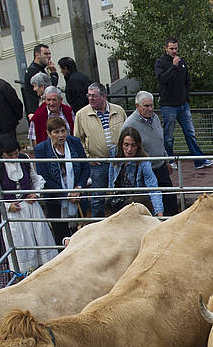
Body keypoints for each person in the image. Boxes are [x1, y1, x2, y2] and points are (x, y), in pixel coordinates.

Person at [0, 132, 58, 282]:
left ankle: (44, 278)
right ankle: (21, 279)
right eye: (9, 155)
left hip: (31, 210)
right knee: (18, 247)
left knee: (40, 241)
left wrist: (36, 193)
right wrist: (7, 205)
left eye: (16, 153)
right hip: (12, 216)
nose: (14, 157)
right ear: (1, 153)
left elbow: (37, 179)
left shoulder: (24, 160)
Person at [154, 37, 213, 169]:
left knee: (190, 133)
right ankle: (169, 161)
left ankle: (199, 161)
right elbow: (162, 79)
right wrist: (173, 67)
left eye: (176, 48)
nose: (174, 51)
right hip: (168, 106)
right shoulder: (160, 63)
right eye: (171, 48)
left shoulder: (181, 62)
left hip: (183, 105)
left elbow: (187, 80)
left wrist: (186, 97)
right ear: (166, 48)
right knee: (168, 136)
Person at [34, 116, 90, 246]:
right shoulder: (41, 149)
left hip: (78, 196)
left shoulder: (74, 142)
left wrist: (79, 188)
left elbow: (85, 167)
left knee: (81, 234)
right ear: (49, 134)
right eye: (56, 132)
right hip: (56, 201)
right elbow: (44, 177)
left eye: (63, 131)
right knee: (61, 235)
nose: (61, 135)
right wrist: (66, 194)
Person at [74, 82, 127, 218]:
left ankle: (122, 221)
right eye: (89, 95)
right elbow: (77, 140)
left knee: (122, 194)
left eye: (94, 96)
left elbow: (127, 133)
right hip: (98, 164)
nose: (90, 98)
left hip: (118, 161)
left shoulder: (119, 110)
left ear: (103, 96)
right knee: (98, 198)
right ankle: (97, 223)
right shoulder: (81, 115)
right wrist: (88, 159)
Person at [123, 90, 180, 216]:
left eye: (152, 105)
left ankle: (171, 221)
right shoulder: (130, 124)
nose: (150, 109)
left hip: (160, 166)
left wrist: (166, 160)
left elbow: (160, 140)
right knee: (150, 202)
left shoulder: (154, 118)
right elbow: (125, 147)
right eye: (146, 106)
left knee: (170, 197)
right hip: (144, 169)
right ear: (137, 106)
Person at [109, 126, 164, 217]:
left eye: (133, 145)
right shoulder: (114, 153)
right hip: (118, 201)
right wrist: (110, 192)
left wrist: (159, 212)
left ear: (138, 146)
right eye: (126, 145)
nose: (129, 149)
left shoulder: (144, 162)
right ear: (121, 145)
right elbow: (111, 175)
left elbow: (153, 187)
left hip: (137, 203)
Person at [23, 43, 57, 119]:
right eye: (45, 54)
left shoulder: (38, 69)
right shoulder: (35, 71)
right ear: (37, 55)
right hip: (38, 110)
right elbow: (49, 88)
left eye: (49, 54)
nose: (49, 56)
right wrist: (53, 74)